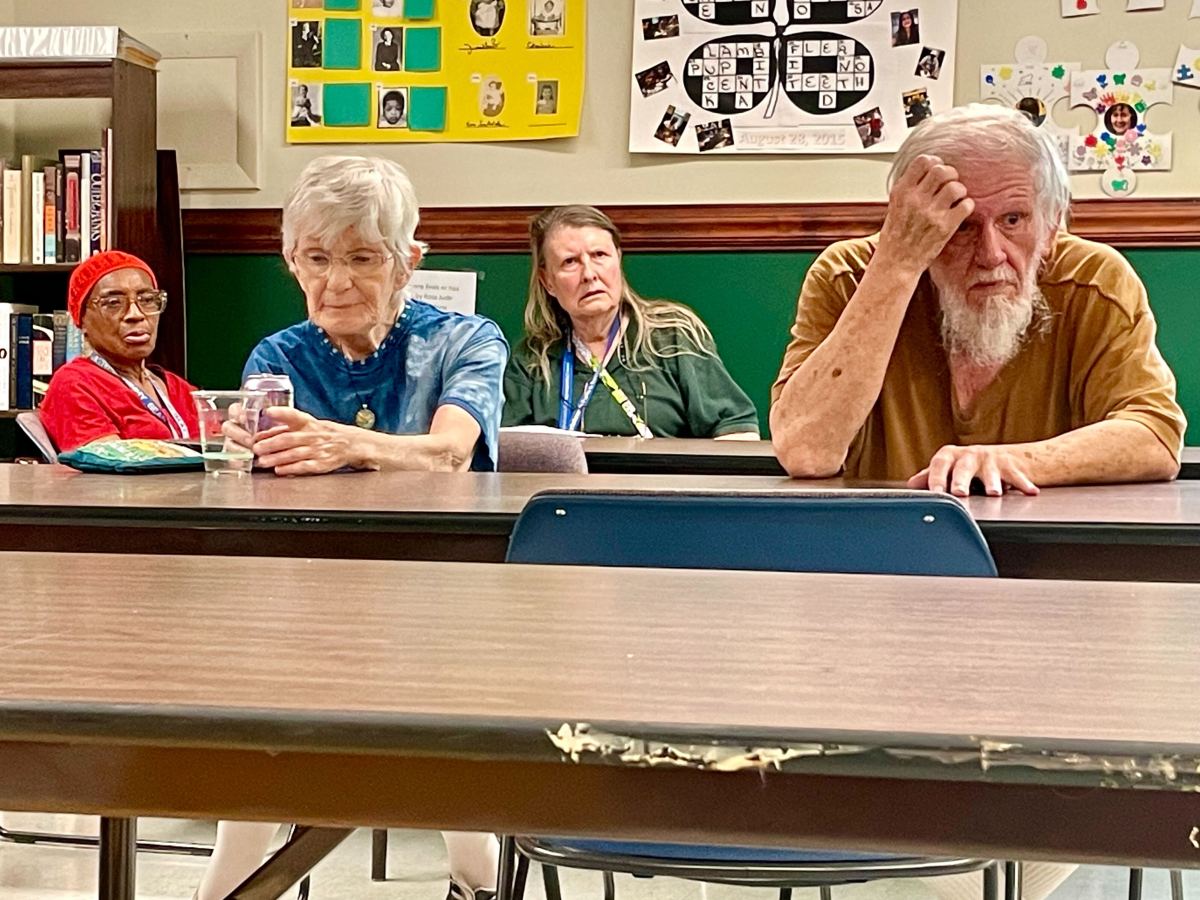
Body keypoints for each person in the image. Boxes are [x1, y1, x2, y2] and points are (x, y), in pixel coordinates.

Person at [194, 156, 506, 900]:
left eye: (363, 258)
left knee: (450, 728)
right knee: (258, 727)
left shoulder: (466, 340)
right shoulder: (279, 356)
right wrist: (250, 449)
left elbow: (451, 453)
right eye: (317, 259)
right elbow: (268, 494)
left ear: (408, 264)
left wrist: (346, 443)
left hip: (444, 603)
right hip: (312, 608)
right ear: (290, 263)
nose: (336, 282)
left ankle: (477, 884)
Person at [771, 104, 1184, 504]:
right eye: (961, 225)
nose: (991, 254)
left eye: (1013, 220)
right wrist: (897, 264)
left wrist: (1008, 460)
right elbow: (806, 451)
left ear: (1051, 225)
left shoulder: (1094, 281)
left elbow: (1154, 438)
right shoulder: (850, 277)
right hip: (884, 552)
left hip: (1046, 551)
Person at [503, 205, 760, 439]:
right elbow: (509, 455)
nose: (590, 274)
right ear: (547, 281)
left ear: (618, 258)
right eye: (570, 262)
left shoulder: (673, 337)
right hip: (565, 489)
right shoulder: (532, 361)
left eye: (599, 255)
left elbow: (737, 430)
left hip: (661, 488)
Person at [41, 250, 199, 451]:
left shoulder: (180, 389)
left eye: (147, 300)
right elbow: (111, 466)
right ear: (82, 320)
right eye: (113, 303)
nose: (135, 314)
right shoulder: (74, 385)